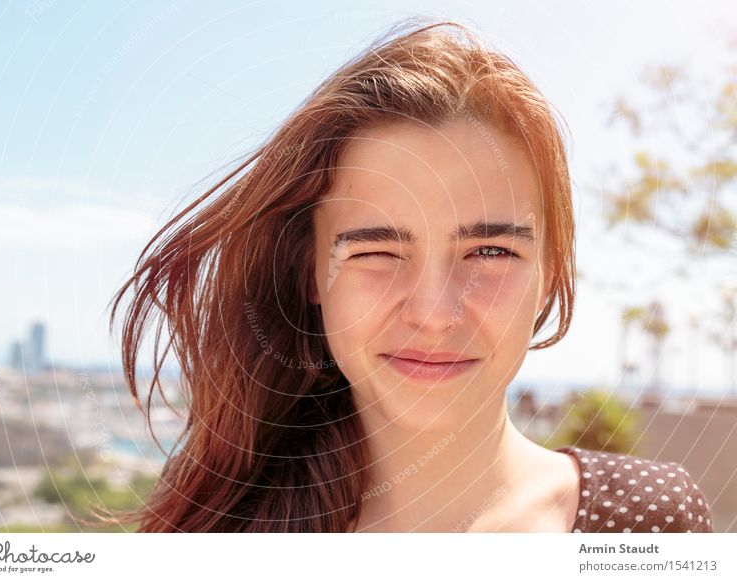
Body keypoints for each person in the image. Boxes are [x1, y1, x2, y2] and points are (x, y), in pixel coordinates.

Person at [107, 18, 715, 533]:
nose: (434, 311)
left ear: (550, 273)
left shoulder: (649, 523)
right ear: (311, 276)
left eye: (490, 251)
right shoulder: (222, 541)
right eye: (377, 253)